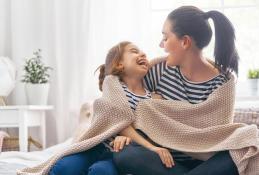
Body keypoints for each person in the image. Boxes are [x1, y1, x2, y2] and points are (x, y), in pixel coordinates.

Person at [113, 6, 240, 175]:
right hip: (163, 162)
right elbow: (121, 101)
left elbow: (218, 138)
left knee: (240, 152)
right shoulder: (159, 71)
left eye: (165, 37)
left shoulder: (223, 85)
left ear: (185, 42)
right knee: (125, 154)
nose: (161, 44)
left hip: (207, 163)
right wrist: (125, 132)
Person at [49, 41, 171, 175]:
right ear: (119, 64)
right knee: (64, 168)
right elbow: (118, 119)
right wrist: (149, 147)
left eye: (143, 53)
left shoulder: (153, 98)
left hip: (119, 154)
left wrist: (169, 58)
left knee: (100, 172)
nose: (143, 54)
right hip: (97, 146)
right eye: (134, 51)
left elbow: (153, 132)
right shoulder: (112, 84)